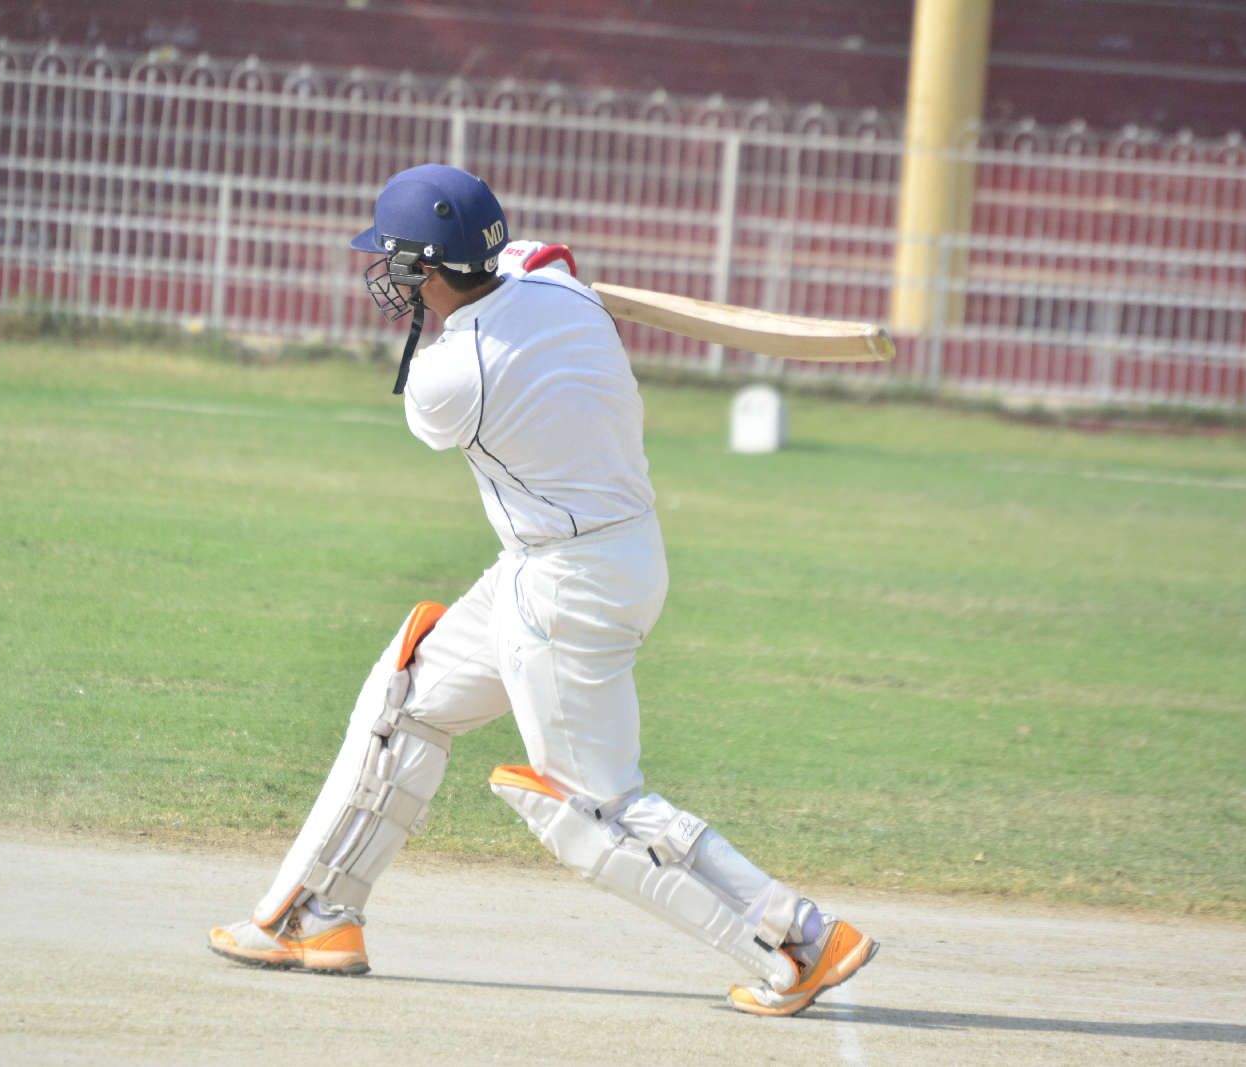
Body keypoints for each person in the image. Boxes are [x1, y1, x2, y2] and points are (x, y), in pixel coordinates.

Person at [207, 163, 877, 1016]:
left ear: (429, 267)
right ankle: (316, 914)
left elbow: (477, 327)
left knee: (591, 809)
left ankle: (800, 940)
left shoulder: (450, 379)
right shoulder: (562, 290)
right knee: (407, 699)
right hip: (591, 557)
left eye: (399, 262)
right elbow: (538, 263)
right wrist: (513, 270)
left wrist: (496, 279)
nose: (389, 275)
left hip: (568, 587)